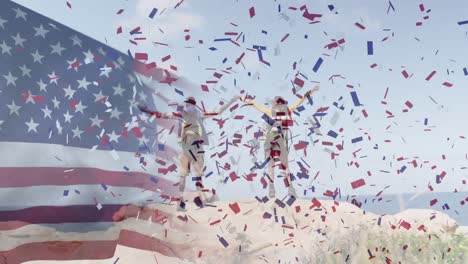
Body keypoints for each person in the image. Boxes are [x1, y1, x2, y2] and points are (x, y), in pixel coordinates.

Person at [139, 95, 239, 211]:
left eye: (189, 105)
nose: (187, 106)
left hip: (197, 148)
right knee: (183, 175)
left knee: (198, 175)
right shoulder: (181, 114)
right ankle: (181, 201)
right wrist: (149, 112)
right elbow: (164, 115)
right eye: (186, 105)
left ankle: (199, 198)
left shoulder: (199, 114)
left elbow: (218, 112)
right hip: (185, 149)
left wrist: (232, 100)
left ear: (194, 105)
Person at [241, 86, 319, 197]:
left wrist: (242, 99)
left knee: (271, 166)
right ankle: (291, 189)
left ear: (274, 104)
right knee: (285, 166)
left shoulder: (269, 111)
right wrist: (310, 92)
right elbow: (298, 103)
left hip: (269, 143)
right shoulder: (286, 112)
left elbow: (255, 105)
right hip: (281, 144)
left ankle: (271, 189)